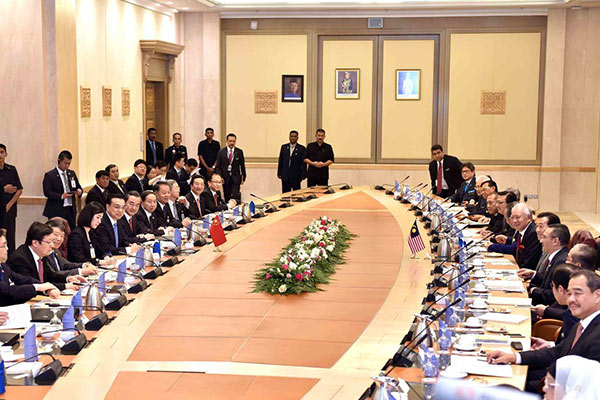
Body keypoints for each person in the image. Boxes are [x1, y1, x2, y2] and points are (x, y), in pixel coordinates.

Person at [487, 269, 600, 393]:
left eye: (577, 293)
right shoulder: (582, 322)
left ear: (597, 296)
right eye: (569, 294)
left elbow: (588, 386)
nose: (571, 299)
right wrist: (514, 357)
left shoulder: (596, 333)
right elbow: (558, 352)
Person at [8, 222, 84, 290]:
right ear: (35, 243)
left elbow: (50, 275)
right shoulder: (20, 259)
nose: (51, 245)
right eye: (48, 242)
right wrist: (65, 286)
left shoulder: (41, 254)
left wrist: (68, 278)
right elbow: (33, 285)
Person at [0, 230, 60, 305]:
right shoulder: (20, 258)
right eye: (3, 246)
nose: (7, 248)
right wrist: (36, 287)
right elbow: (6, 290)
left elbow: (22, 279)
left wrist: (46, 288)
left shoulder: (4, 266)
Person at [488, 203, 542, 270]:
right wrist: (508, 240)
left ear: (528, 218)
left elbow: (529, 263)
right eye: (512, 217)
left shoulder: (533, 233)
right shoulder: (523, 230)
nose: (514, 221)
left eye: (518, 217)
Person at [528, 224, 571, 306]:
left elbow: (554, 294)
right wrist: (533, 275)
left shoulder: (561, 261)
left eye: (544, 237)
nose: (540, 241)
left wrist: (533, 291)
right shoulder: (557, 256)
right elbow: (548, 281)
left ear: (555, 241)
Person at [90, 193, 141, 258]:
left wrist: (130, 245)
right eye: (117, 207)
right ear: (107, 207)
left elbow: (123, 240)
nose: (120, 211)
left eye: (123, 208)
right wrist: (128, 249)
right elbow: (106, 248)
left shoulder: (118, 220)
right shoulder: (101, 222)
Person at [42, 150, 83, 229]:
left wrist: (79, 192)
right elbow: (47, 192)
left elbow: (78, 186)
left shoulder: (71, 173)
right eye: (65, 163)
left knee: (71, 230)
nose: (67, 166)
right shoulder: (50, 175)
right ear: (59, 161)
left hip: (70, 209)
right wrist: (61, 196)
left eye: (69, 163)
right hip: (56, 209)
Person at [0, 144, 23, 254]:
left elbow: (19, 190)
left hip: (10, 210)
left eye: (2, 152)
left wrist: (9, 205)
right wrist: (3, 189)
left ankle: (11, 262)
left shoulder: (12, 170)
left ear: (6, 154)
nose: (0, 155)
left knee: (10, 239)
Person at [214, 133, 246, 202]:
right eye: (230, 141)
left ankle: (236, 207)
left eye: (233, 141)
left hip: (236, 178)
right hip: (225, 178)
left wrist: (243, 177)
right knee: (227, 196)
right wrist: (220, 177)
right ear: (227, 141)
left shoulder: (239, 152)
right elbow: (218, 166)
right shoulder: (221, 152)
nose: (232, 143)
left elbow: (242, 165)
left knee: (235, 195)